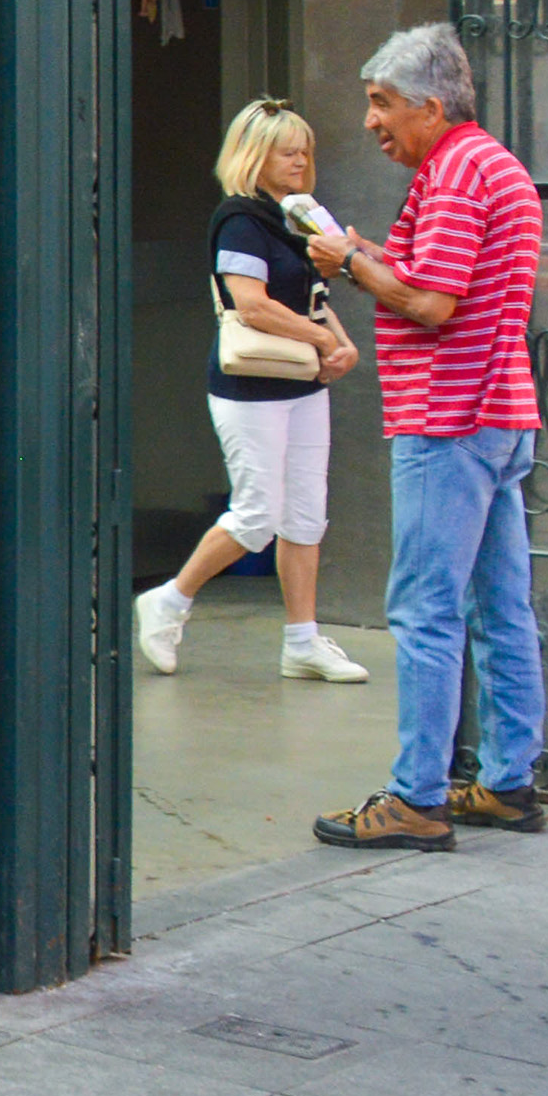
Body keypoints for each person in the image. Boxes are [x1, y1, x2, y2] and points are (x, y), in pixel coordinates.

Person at [304, 25, 546, 853]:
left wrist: (346, 266)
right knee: (502, 609)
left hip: (448, 418)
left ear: (430, 106)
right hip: (500, 411)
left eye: (382, 105)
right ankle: (509, 781)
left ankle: (416, 797)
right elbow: (445, 284)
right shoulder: (496, 167)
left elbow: (431, 304)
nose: (371, 122)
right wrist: (367, 252)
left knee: (426, 611)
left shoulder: (452, 175)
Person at [134, 100, 373, 687]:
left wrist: (340, 346)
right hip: (250, 387)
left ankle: (302, 640)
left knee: (305, 514)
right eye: (287, 150)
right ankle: (168, 601)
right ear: (254, 156)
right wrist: (322, 341)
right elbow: (251, 303)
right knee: (257, 513)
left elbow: (315, 297)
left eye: (305, 149)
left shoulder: (297, 217)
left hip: (301, 385)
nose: (300, 160)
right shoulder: (240, 220)